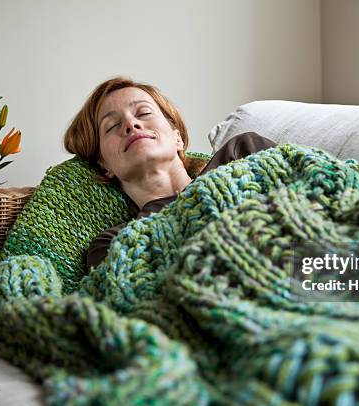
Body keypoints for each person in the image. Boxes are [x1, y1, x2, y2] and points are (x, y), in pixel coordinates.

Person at [63, 77, 276, 270]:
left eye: (143, 113)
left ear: (177, 137)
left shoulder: (242, 152)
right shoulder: (114, 244)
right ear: (104, 165)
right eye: (112, 126)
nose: (130, 124)